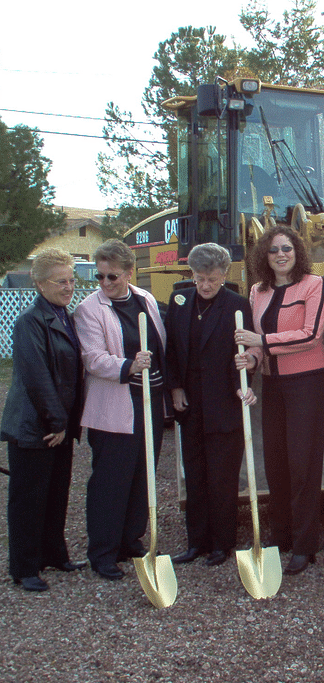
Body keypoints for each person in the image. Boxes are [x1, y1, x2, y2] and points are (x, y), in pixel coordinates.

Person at [234, 226, 324, 575]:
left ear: (297, 251)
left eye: (286, 248)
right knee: (276, 461)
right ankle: (281, 537)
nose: (280, 254)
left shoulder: (314, 285)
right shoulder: (257, 292)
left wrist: (260, 340)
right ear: (265, 255)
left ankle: (305, 545)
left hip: (307, 381)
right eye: (273, 249)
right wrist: (253, 359)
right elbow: (258, 346)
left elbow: (311, 334)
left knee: (303, 463)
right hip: (274, 384)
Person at [74, 239, 166, 581]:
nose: (105, 283)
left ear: (129, 273)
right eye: (99, 277)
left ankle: (130, 539)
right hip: (114, 408)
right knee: (110, 481)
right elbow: (93, 358)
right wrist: (129, 364)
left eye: (112, 276)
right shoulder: (90, 310)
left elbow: (161, 343)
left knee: (143, 475)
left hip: (149, 404)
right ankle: (103, 551)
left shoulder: (146, 300)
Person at [166, 243, 256, 567]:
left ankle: (222, 543)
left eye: (213, 279)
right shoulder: (179, 303)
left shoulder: (237, 305)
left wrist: (244, 381)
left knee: (222, 477)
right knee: (195, 474)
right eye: (200, 278)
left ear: (224, 275)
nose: (205, 285)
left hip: (224, 404)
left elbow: (248, 356)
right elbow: (171, 350)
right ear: (191, 274)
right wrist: (175, 388)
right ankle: (196, 542)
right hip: (190, 404)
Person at [1, 249, 84, 592]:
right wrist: (57, 424)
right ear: (39, 284)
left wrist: (66, 425)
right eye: (61, 281)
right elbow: (37, 378)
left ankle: (53, 553)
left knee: (56, 492)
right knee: (29, 498)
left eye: (71, 280)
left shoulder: (65, 316)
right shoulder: (29, 323)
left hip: (57, 425)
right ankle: (24, 567)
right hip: (37, 427)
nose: (69, 287)